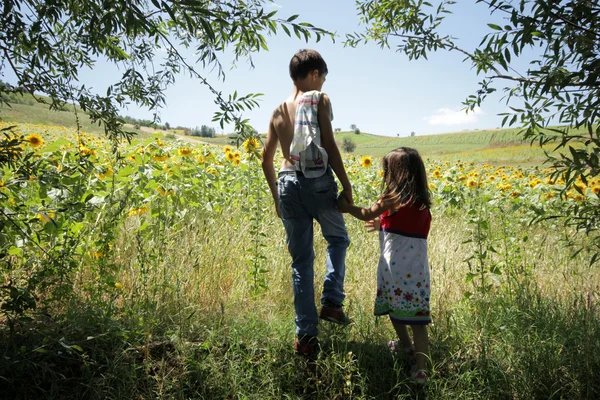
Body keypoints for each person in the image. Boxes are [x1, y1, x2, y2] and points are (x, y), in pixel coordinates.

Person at [261, 49, 354, 357]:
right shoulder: (319, 100)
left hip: (287, 184)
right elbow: (329, 143)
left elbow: (266, 159)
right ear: (314, 74)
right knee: (338, 239)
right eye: (323, 78)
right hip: (317, 183)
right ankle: (331, 302)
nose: (323, 85)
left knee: (301, 263)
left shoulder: (277, 111)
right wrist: (346, 184)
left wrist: (277, 196)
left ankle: (306, 339)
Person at [337, 147, 432, 384]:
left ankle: (404, 345)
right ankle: (421, 369)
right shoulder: (422, 204)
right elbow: (410, 232)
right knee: (418, 319)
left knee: (394, 308)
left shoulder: (390, 199)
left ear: (396, 174)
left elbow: (364, 213)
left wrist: (347, 208)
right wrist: (383, 225)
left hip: (392, 269)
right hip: (418, 271)